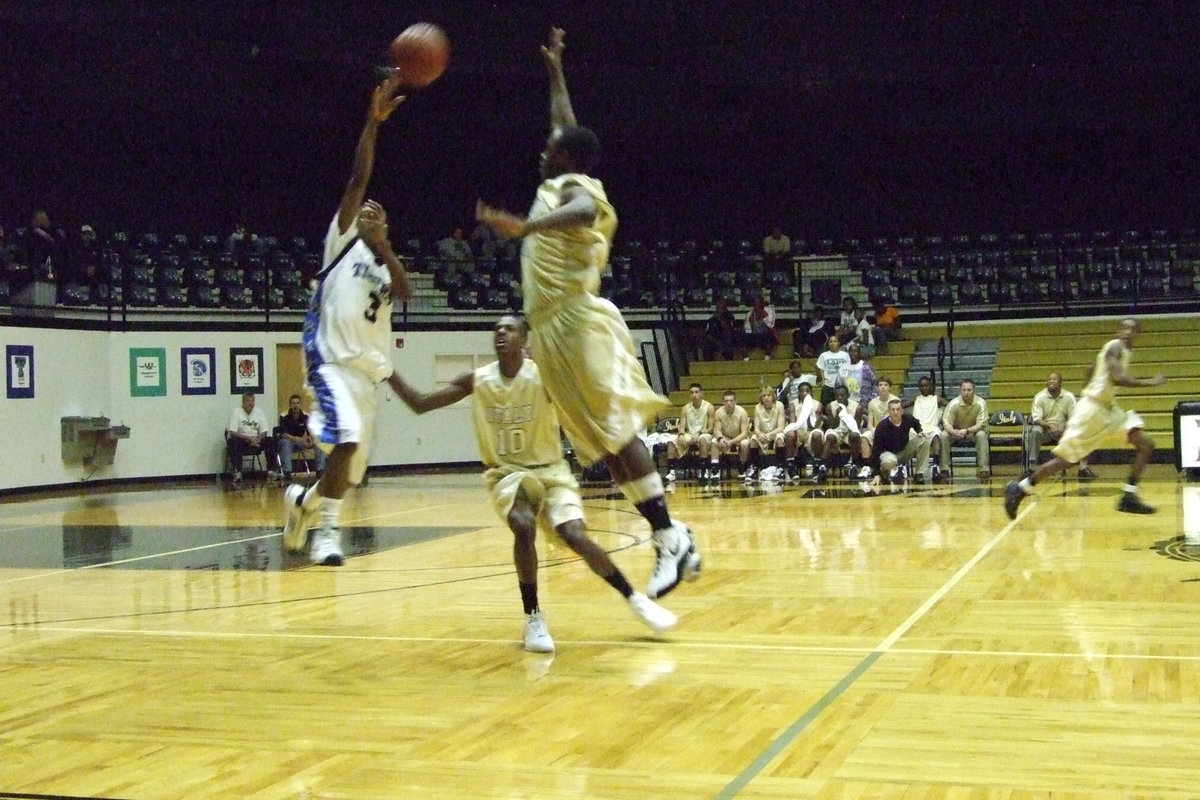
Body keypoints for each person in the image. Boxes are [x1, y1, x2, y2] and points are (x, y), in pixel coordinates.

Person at [474, 27, 701, 600]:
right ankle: (671, 536)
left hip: (575, 320)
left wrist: (525, 226)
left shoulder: (578, 187)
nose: (543, 150)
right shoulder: (561, 171)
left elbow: (580, 211)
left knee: (617, 432)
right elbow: (563, 123)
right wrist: (555, 68)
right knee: (600, 445)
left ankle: (670, 536)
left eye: (552, 149)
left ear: (567, 160)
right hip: (550, 331)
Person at [389, 315, 677, 651]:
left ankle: (635, 599)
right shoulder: (478, 379)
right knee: (523, 524)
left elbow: (585, 405)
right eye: (497, 328)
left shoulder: (544, 378)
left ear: (524, 342)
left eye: (509, 328)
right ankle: (534, 617)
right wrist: (386, 370)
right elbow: (419, 403)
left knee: (573, 535)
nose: (500, 332)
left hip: (551, 471)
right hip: (506, 474)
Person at [280, 71, 414, 566]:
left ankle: (304, 504)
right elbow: (359, 177)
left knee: (346, 470)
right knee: (349, 438)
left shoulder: (381, 262)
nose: (367, 213)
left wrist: (385, 247)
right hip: (330, 362)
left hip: (366, 375)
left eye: (378, 217)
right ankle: (328, 535)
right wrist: (373, 122)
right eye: (365, 213)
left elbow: (405, 291)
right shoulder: (339, 243)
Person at [1006, 319, 1166, 518]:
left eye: (1132, 329)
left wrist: (1089, 384)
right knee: (1066, 460)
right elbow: (1116, 377)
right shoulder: (1115, 346)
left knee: (1146, 444)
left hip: (1108, 409)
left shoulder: (1121, 352)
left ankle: (1129, 495)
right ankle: (1020, 488)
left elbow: (1090, 368)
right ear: (1118, 331)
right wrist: (1150, 382)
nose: (1127, 332)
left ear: (1138, 334)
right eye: (1124, 327)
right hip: (1093, 410)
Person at [1026, 371, 1095, 479]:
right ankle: (1031, 468)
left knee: (1084, 431)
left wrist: (1064, 425)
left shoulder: (1069, 397)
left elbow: (1075, 417)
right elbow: (1036, 419)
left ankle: (1083, 468)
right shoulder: (1039, 397)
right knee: (1035, 431)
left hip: (1064, 430)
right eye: (1049, 379)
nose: (1051, 381)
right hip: (1046, 430)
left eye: (1054, 379)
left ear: (1060, 382)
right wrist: (1049, 425)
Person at [870, 398, 930, 485]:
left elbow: (916, 423)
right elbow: (876, 450)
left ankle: (919, 473)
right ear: (889, 411)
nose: (895, 412)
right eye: (893, 409)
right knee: (889, 461)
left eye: (898, 409)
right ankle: (884, 473)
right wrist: (876, 474)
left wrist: (919, 431)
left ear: (902, 411)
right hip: (889, 454)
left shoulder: (907, 418)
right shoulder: (882, 427)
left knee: (924, 440)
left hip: (904, 451)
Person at [665, 383, 714, 483]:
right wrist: (681, 435)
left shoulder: (709, 407)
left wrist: (699, 433)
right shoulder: (685, 408)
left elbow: (711, 428)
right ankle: (672, 472)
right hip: (690, 434)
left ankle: (703, 472)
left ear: (702, 394)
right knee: (671, 441)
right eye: (691, 393)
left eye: (696, 392)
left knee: (703, 439)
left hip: (704, 433)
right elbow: (682, 427)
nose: (694, 395)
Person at [942, 378, 990, 479]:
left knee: (981, 435)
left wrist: (967, 430)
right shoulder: (953, 404)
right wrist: (953, 431)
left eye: (969, 390)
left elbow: (981, 424)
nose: (966, 393)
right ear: (960, 391)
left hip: (973, 432)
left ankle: (983, 469)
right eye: (964, 390)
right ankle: (944, 469)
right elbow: (946, 423)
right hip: (956, 432)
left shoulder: (981, 403)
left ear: (974, 391)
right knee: (944, 435)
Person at [226, 392, 278, 484]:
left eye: (252, 401)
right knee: (233, 441)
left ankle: (272, 470)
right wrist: (248, 439)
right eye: (248, 401)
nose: (251, 403)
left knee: (270, 440)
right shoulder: (236, 412)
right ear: (243, 402)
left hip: (256, 440)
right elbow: (233, 432)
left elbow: (264, 431)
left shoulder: (259, 412)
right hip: (242, 441)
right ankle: (237, 472)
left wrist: (258, 439)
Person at [908, 375, 947, 482]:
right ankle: (902, 465)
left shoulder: (936, 399)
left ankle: (935, 464)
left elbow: (950, 405)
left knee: (936, 434)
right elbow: (902, 405)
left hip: (931, 427)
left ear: (931, 386)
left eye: (926, 386)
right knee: (906, 434)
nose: (924, 388)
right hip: (917, 428)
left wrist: (943, 417)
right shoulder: (916, 399)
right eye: (921, 386)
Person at [277, 393, 326, 479]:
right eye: (293, 403)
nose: (295, 405)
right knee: (285, 443)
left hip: (301, 443)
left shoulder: (306, 416)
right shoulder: (283, 416)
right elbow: (284, 434)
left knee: (319, 441)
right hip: (289, 442)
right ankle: (287, 473)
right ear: (290, 404)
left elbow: (311, 431)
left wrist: (311, 439)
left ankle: (320, 471)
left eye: (297, 403)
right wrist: (299, 439)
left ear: (300, 404)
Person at [708, 389, 751, 481]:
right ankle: (715, 470)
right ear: (723, 402)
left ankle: (742, 469)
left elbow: (744, 433)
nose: (729, 403)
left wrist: (731, 442)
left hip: (739, 437)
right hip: (725, 437)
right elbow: (717, 430)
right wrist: (720, 439)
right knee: (714, 442)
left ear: (735, 401)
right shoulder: (718, 412)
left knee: (744, 443)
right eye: (726, 401)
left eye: (731, 400)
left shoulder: (742, 412)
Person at [748, 388, 787, 482]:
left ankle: (780, 469)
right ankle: (755, 468)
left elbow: (781, 427)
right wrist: (760, 434)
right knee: (753, 439)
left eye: (768, 395)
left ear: (773, 396)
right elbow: (756, 428)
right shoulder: (757, 407)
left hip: (775, 432)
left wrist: (769, 434)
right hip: (763, 434)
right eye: (764, 396)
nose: (766, 398)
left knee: (780, 439)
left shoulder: (779, 405)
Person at [814, 334, 849, 405]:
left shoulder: (845, 355)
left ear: (839, 343)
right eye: (831, 341)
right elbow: (820, 369)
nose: (833, 343)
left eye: (835, 341)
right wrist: (823, 382)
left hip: (842, 386)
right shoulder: (823, 355)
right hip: (828, 387)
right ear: (828, 344)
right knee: (827, 408)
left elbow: (849, 369)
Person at [700, 297, 739, 361]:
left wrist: (720, 319)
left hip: (726, 340)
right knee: (704, 344)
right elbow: (707, 331)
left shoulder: (729, 316)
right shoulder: (712, 319)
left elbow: (729, 330)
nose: (719, 309)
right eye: (718, 307)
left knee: (727, 345)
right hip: (714, 340)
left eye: (721, 307)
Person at [742, 294, 778, 360]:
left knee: (769, 335)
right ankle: (746, 359)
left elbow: (770, 325)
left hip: (767, 334)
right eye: (755, 303)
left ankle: (767, 358)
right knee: (742, 337)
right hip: (755, 335)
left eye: (758, 302)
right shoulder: (750, 314)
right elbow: (747, 329)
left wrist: (760, 316)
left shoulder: (769, 311)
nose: (757, 304)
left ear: (762, 302)